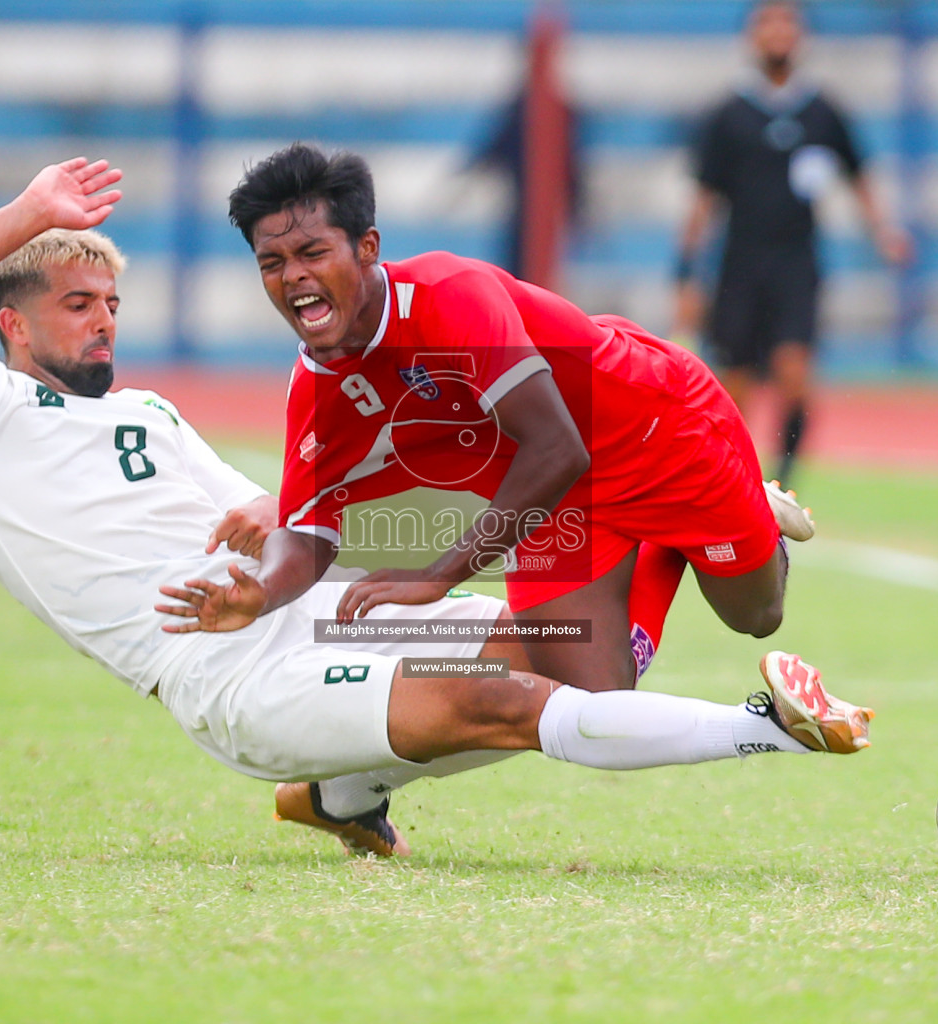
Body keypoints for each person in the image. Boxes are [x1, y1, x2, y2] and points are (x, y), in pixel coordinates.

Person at [0, 157, 873, 860]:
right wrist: (31, 209)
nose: (103, 323)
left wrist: (277, 529)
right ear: (10, 320)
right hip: (222, 669)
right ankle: (772, 726)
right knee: (502, 703)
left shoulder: (147, 411)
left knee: (559, 647)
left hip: (302, 611)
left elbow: (291, 521)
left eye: (111, 305)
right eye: (76, 305)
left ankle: (339, 794)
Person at [177, 142, 815, 700]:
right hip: (552, 500)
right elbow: (309, 530)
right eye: (272, 262)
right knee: (596, 700)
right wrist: (262, 594)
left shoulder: (449, 296)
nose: (295, 277)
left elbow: (557, 447)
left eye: (313, 253)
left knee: (756, 618)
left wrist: (438, 577)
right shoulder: (316, 387)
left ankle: (753, 516)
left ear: (367, 248)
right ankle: (669, 543)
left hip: (660, 434)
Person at [672, 0, 911, 485]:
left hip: (797, 263)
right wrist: (686, 271)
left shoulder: (823, 111)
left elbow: (858, 174)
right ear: (752, 35)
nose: (778, 33)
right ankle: (737, 477)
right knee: (733, 381)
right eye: (768, 23)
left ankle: (784, 478)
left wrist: (883, 232)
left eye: (787, 23)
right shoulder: (729, 114)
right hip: (740, 263)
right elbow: (703, 198)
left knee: (793, 371)